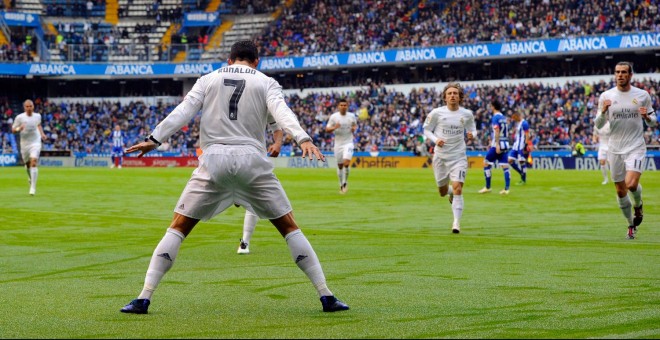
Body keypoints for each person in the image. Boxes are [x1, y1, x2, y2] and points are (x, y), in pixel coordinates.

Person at [119, 40, 349, 314]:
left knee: (178, 227)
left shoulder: (208, 79)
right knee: (289, 226)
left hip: (214, 160)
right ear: (256, 61)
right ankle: (326, 296)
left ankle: (143, 298)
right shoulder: (266, 82)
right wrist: (303, 138)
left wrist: (153, 139)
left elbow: (184, 112)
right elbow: (281, 113)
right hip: (252, 160)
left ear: (229, 60)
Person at [594, 61, 657, 239]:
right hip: (614, 148)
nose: (620, 75)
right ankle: (631, 225)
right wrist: (603, 112)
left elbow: (653, 120)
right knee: (620, 191)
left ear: (630, 75)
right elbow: (598, 125)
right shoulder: (606, 96)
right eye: (617, 72)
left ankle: (638, 205)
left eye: (623, 72)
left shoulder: (642, 95)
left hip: (635, 146)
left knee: (631, 184)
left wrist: (646, 117)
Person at [423, 82, 477, 234]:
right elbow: (426, 130)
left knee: (458, 187)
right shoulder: (436, 113)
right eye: (449, 93)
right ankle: (450, 193)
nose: (452, 95)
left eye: (455, 93)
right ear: (445, 97)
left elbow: (473, 129)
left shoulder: (466, 114)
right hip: (440, 157)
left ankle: (456, 223)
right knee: (442, 191)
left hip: (459, 156)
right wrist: (436, 140)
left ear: (460, 97)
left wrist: (473, 135)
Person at [237, 114, 284, 255]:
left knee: (253, 201)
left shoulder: (262, 102)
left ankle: (245, 242)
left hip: (255, 157)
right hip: (227, 157)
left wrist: (277, 143)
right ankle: (236, 195)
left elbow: (277, 128)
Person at [12, 99, 47, 196]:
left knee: (34, 162)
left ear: (33, 107)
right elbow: (13, 130)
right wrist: (19, 128)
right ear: (24, 107)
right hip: (24, 144)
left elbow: (38, 125)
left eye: (30, 106)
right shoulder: (19, 118)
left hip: (35, 142)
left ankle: (33, 188)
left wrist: (42, 134)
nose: (29, 108)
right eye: (27, 106)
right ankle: (31, 178)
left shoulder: (37, 116)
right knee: (27, 165)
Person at [325, 98, 357, 194]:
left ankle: (345, 182)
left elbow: (354, 125)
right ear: (338, 106)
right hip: (338, 144)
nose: (343, 107)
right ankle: (340, 184)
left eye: (345, 105)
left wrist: (354, 128)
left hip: (349, 143)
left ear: (347, 106)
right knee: (340, 166)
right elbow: (327, 129)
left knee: (346, 163)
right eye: (341, 105)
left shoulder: (351, 116)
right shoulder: (334, 117)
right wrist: (335, 127)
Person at [478, 100, 511, 195]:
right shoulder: (503, 117)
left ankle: (488, 187)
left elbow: (497, 130)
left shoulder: (495, 117)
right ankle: (506, 189)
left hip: (498, 144)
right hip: (505, 143)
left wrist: (496, 144)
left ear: (493, 107)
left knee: (486, 164)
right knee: (505, 166)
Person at [507, 111, 530, 185]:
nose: (514, 119)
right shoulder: (519, 123)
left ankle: (523, 180)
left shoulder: (524, 123)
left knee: (521, 162)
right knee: (510, 160)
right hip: (516, 145)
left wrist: (526, 144)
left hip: (521, 145)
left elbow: (527, 134)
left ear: (518, 116)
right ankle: (521, 173)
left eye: (515, 117)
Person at [592, 121, 611, 185]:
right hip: (602, 145)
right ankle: (605, 179)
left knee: (611, 163)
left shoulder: (610, 124)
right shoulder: (597, 125)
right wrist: (594, 140)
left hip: (610, 145)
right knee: (602, 162)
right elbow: (595, 134)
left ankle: (616, 177)